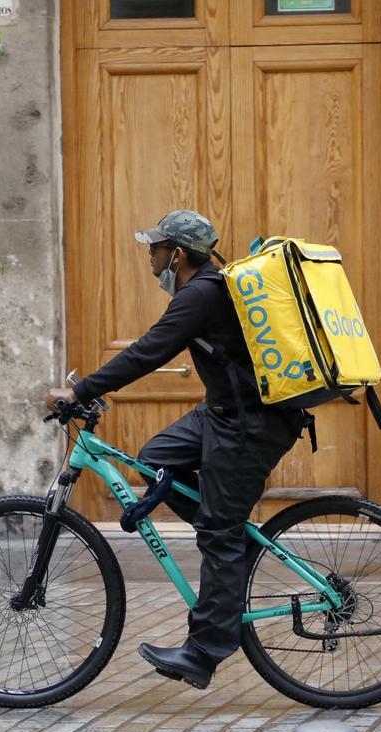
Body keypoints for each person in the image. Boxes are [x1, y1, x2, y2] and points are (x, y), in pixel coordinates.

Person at [44, 210, 303, 689]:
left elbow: (148, 351)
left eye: (154, 248)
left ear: (177, 254)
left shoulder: (201, 294)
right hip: (221, 414)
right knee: (155, 459)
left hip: (247, 426)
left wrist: (78, 392)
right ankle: (230, 545)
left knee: (219, 535)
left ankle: (203, 652)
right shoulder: (205, 289)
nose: (150, 256)